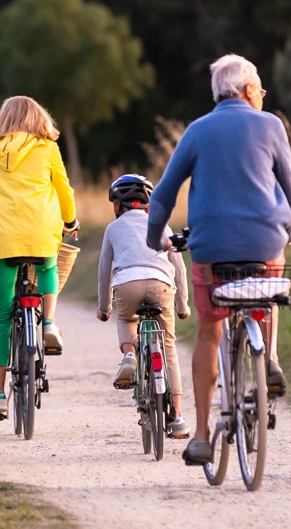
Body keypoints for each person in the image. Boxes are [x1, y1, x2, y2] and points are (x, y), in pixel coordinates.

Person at [145, 55, 291, 466]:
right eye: (261, 90)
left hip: (211, 253)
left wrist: (155, 237)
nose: (262, 97)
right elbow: (290, 189)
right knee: (270, 275)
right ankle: (269, 359)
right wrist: (287, 231)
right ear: (249, 90)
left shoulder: (197, 130)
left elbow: (162, 196)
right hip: (265, 248)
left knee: (209, 332)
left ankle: (198, 436)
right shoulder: (271, 126)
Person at [0, 96, 78, 419]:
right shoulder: (49, 149)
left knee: (0, 316)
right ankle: (50, 322)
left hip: (0, 240)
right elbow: (64, 190)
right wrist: (70, 222)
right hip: (41, 235)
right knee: (49, 264)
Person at [95, 173, 193, 439]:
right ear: (148, 203)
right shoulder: (162, 225)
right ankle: (179, 416)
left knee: (127, 320)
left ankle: (129, 355)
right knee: (169, 347)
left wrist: (104, 307)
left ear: (116, 205)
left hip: (128, 285)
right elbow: (179, 268)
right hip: (162, 284)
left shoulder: (113, 229)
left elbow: (105, 270)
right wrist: (182, 305)